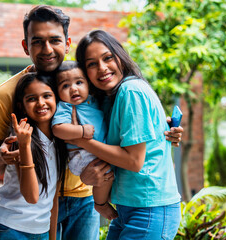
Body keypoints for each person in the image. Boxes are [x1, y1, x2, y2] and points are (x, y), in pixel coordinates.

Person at [0, 5, 183, 240]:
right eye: (37, 41)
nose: (47, 49)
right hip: (37, 207)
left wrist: (163, 128)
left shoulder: (90, 86)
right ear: (25, 45)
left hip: (86, 199)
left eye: (55, 40)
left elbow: (126, 124)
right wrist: (2, 156)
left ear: (67, 43)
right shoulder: (6, 94)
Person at [70, 29, 182, 239]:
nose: (102, 68)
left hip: (150, 208)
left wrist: (82, 141)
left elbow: (134, 161)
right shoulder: (108, 99)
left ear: (119, 56)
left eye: (107, 58)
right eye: (92, 64)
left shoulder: (130, 91)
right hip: (129, 207)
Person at [0, 73, 68, 240]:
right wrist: (24, 146)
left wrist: (52, 237)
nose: (41, 103)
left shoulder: (60, 140)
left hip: (41, 231)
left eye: (47, 96)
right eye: (31, 99)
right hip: (10, 229)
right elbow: (31, 196)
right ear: (21, 106)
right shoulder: (19, 139)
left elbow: (52, 198)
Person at [52, 60, 118, 221]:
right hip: (81, 155)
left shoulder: (93, 101)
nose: (74, 88)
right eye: (65, 86)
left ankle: (106, 199)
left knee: (112, 173)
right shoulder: (65, 106)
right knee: (107, 172)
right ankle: (100, 204)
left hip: (93, 151)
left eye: (79, 82)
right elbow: (58, 128)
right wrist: (81, 131)